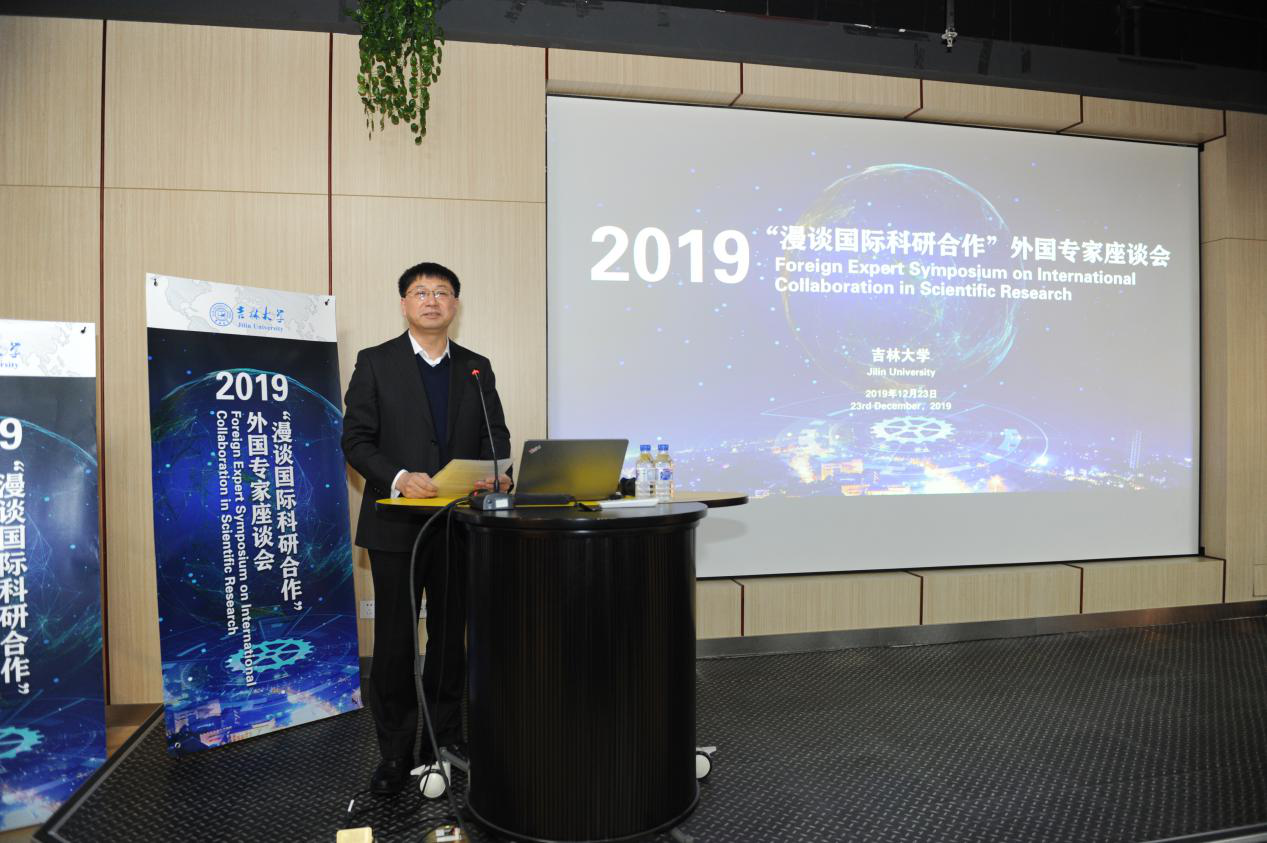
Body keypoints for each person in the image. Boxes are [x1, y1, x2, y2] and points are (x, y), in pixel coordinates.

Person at [341, 261, 512, 795]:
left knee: (448, 641)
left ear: (455, 305)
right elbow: (356, 440)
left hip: (457, 525)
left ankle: (445, 740)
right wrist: (397, 476)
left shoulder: (477, 368)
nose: (432, 300)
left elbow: (496, 438)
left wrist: (495, 473)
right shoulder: (375, 362)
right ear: (404, 304)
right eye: (421, 292)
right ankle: (395, 753)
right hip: (396, 524)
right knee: (394, 642)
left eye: (442, 292)